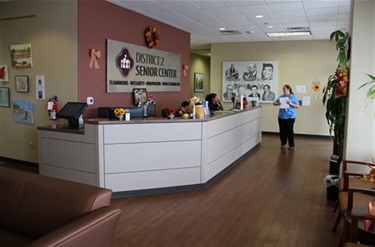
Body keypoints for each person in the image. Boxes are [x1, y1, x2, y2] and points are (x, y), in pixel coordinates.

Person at [273, 84, 299, 150]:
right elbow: (274, 103)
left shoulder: (293, 97)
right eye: (283, 89)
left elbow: (297, 106)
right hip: (281, 116)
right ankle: (283, 143)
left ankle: (291, 145)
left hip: (290, 117)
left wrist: (290, 103)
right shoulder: (281, 97)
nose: (283, 90)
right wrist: (279, 103)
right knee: (282, 131)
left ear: (288, 89)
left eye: (284, 88)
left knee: (289, 131)